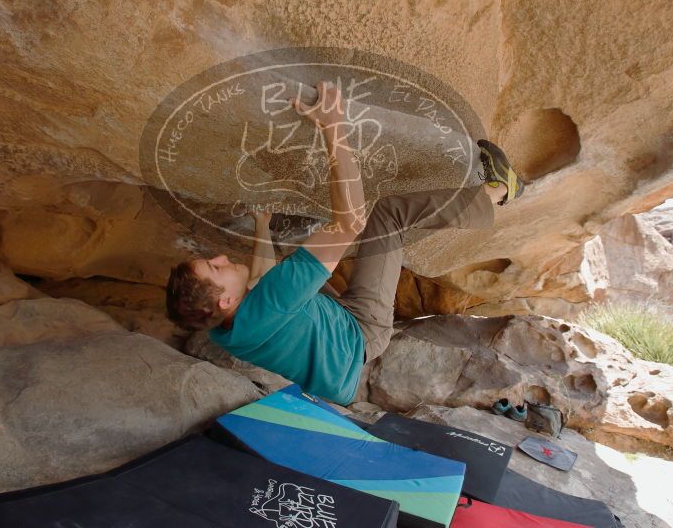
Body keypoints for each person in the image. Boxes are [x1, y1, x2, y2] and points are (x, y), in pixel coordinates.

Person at [166, 80, 525, 405]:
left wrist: (262, 225)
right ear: (225, 299)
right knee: (388, 215)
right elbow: (349, 221)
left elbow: (264, 282)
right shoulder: (274, 300)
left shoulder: (222, 331)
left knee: (293, 268)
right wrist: (332, 124)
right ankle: (499, 191)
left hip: (337, 341)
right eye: (215, 267)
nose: (223, 256)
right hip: (363, 329)